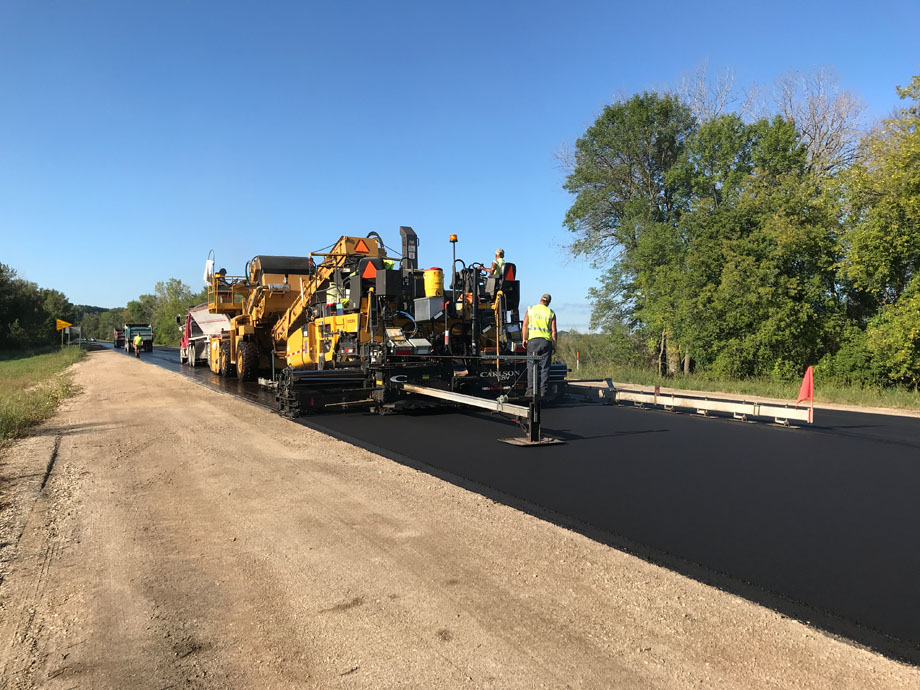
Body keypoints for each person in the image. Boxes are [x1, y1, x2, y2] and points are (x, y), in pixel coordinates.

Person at [521, 293, 556, 397]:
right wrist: (555, 344)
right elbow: (554, 331)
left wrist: (524, 338)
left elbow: (525, 325)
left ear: (540, 300)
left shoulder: (531, 309)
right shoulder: (551, 312)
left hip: (532, 342)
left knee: (531, 366)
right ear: (548, 302)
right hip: (546, 342)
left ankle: (531, 390)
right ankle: (543, 390)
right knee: (545, 367)